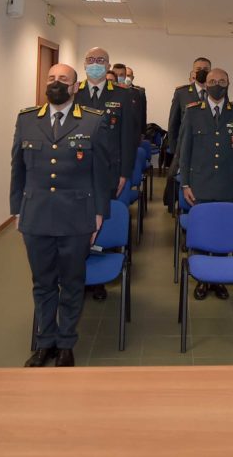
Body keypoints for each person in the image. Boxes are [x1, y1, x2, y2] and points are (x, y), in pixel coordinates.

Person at [11, 64, 112, 368]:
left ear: (74, 87)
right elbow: (18, 168)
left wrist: (99, 213)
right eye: (51, 78)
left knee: (71, 282)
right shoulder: (27, 119)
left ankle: (66, 343)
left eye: (63, 79)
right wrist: (17, 209)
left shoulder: (93, 121)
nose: (56, 83)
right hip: (36, 215)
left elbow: (101, 172)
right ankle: (45, 342)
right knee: (42, 283)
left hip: (76, 216)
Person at [179, 68, 233, 300]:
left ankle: (219, 279)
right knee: (202, 231)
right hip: (200, 182)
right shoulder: (193, 112)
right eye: (212, 81)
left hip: (228, 182)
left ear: (228, 83)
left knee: (222, 231)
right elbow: (185, 151)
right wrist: (185, 184)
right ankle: (202, 278)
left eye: (221, 81)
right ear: (205, 84)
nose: (217, 85)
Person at [75, 47, 137, 301]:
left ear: (108, 65)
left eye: (100, 60)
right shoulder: (74, 92)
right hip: (77, 171)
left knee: (102, 220)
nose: (95, 64)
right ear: (84, 64)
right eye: (90, 60)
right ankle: (77, 273)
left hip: (109, 171)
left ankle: (99, 279)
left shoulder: (122, 95)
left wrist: (124, 172)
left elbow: (128, 137)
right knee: (78, 222)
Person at [167, 57, 211, 161]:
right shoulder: (182, 93)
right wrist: (174, 150)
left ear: (210, 72)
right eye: (198, 69)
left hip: (210, 147)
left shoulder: (217, 93)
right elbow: (173, 123)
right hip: (186, 146)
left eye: (206, 69)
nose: (202, 72)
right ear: (193, 72)